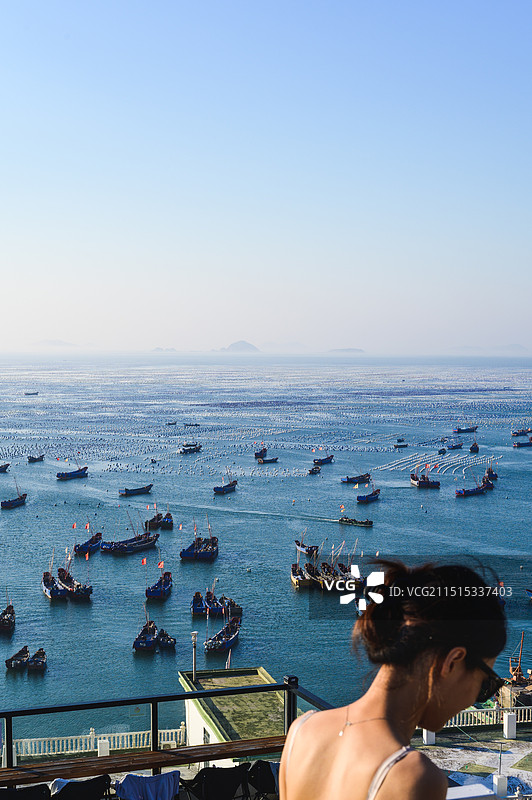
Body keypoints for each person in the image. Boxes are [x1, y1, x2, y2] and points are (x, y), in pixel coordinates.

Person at [280, 560, 506, 800]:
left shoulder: (302, 731)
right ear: (452, 662)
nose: (474, 699)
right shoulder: (413, 777)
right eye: (485, 684)